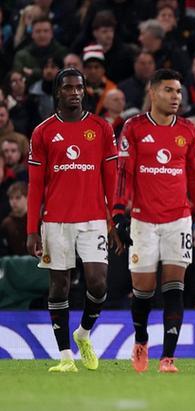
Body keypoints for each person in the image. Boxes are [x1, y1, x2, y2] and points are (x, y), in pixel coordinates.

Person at [112, 69, 195, 374]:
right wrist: (118, 213)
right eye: (169, 90)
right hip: (143, 220)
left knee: (174, 287)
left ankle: (168, 357)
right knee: (143, 290)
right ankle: (141, 339)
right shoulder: (134, 128)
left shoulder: (188, 130)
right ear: (153, 93)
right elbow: (124, 173)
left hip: (178, 220)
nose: (175, 97)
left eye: (178, 91)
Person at [26, 68, 119, 373]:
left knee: (98, 283)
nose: (75, 92)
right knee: (59, 286)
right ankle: (66, 356)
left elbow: (111, 178)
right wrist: (31, 230)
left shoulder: (101, 128)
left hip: (93, 219)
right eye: (68, 88)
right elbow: (35, 186)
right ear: (58, 92)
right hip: (56, 220)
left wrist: (115, 218)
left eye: (79, 87)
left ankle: (84, 333)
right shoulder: (43, 132)